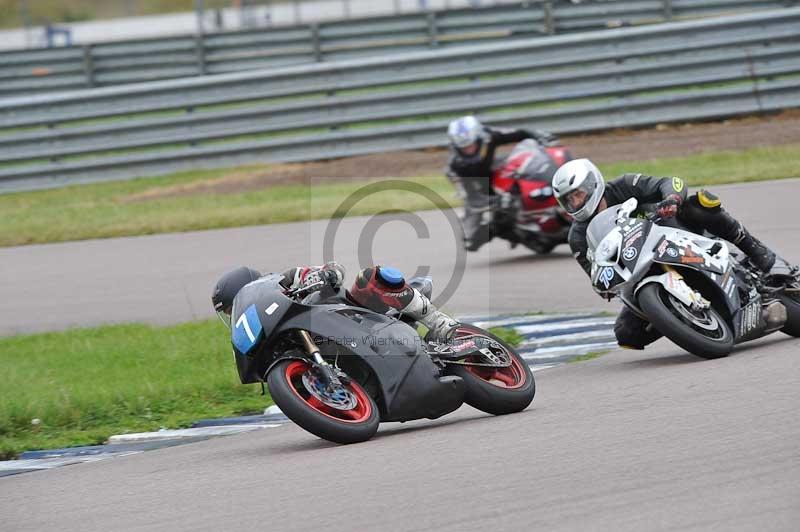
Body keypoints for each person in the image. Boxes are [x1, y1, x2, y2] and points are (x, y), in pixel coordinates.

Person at [552, 158, 777, 350]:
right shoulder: (577, 237)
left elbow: (671, 183)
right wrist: (605, 285)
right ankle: (687, 321)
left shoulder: (623, 185)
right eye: (567, 200)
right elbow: (594, 271)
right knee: (626, 334)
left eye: (577, 195)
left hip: (672, 233)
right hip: (638, 272)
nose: (574, 203)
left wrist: (671, 199)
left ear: (593, 184)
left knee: (699, 203)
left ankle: (757, 252)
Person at [211, 262, 460, 343]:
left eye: (234, 307)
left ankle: (443, 324)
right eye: (231, 313)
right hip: (339, 343)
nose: (237, 315)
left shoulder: (282, 282)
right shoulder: (266, 333)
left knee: (370, 277)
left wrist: (322, 275)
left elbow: (334, 269)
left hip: (354, 314)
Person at [446, 116, 556, 251]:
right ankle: (497, 229)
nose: (469, 150)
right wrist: (498, 201)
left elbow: (520, 133)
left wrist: (540, 136)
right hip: (476, 190)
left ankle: (535, 203)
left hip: (493, 171)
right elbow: (473, 199)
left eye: (471, 145)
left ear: (479, 138)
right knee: (471, 241)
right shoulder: (454, 168)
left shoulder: (489, 135)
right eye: (464, 148)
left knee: (516, 163)